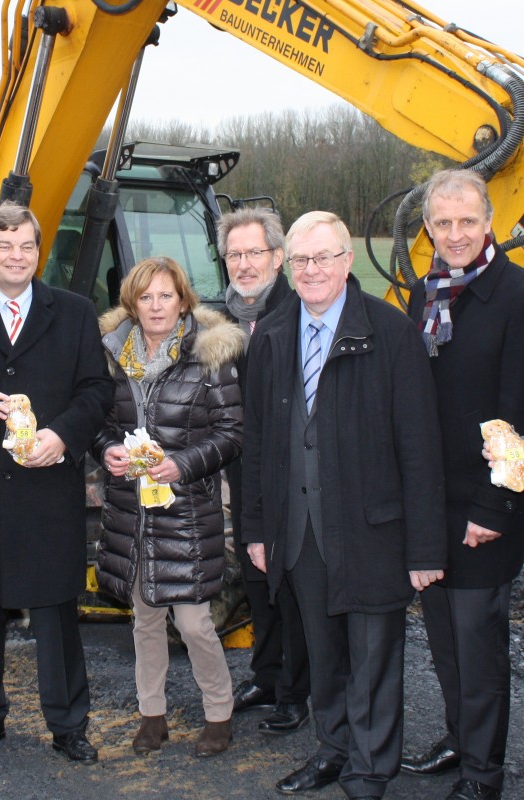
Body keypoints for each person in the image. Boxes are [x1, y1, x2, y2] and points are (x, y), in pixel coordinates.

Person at [242, 210, 447, 799]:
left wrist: (426, 545)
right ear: (290, 264)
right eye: (301, 260)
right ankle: (333, 751)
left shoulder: (390, 332)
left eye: (323, 258)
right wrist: (257, 530)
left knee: (374, 660)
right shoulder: (275, 335)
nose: (311, 271)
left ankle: (370, 771)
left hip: (371, 530)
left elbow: (419, 445)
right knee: (323, 657)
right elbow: (256, 443)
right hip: (299, 533)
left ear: (347, 260)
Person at [0, 203, 113, 766]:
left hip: (46, 487)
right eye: (4, 246)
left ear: (38, 251)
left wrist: (63, 437)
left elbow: (96, 392)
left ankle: (68, 725)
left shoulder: (76, 313)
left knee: (56, 611)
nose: (15, 256)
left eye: (26, 246)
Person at [400, 169, 524, 800]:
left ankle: (484, 773)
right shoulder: (425, 295)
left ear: (489, 223)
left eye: (466, 222)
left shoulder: (514, 294)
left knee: (479, 648)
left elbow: (520, 411)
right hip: (432, 504)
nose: (455, 234)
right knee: (445, 638)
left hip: (486, 506)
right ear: (427, 228)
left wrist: (495, 504)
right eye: (442, 223)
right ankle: (458, 739)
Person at [93, 256, 244, 758]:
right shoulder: (111, 355)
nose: (156, 306)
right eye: (146, 296)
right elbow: (98, 424)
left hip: (185, 511)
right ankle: (151, 715)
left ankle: (218, 715)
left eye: (166, 296)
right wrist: (106, 450)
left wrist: (183, 465)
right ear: (132, 303)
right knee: (144, 618)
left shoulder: (208, 356)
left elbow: (232, 434)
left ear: (183, 301)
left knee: (195, 622)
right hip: (131, 511)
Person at [217, 207, 311, 733]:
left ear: (278, 257)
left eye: (256, 253)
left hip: (291, 471)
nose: (245, 264)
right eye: (236, 254)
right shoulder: (220, 321)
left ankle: (296, 690)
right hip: (244, 470)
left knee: (291, 581)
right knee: (257, 577)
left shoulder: (299, 313)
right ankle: (267, 672)